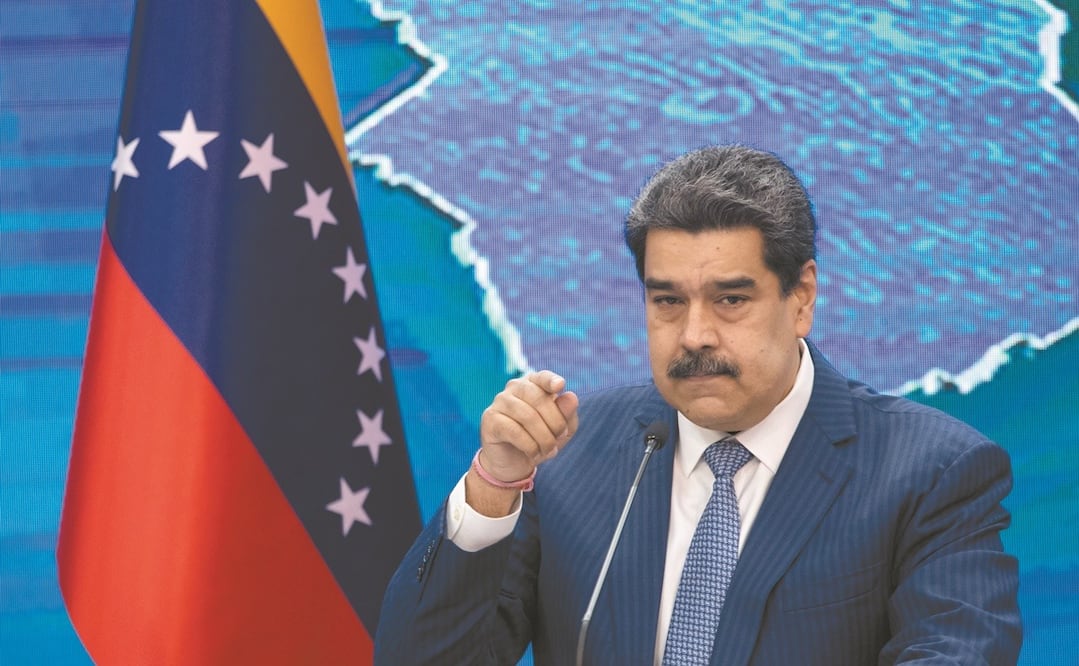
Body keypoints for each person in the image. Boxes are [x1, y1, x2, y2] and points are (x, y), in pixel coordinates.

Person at [374, 145, 1022, 665]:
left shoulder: (932, 473)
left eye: (730, 299)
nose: (694, 335)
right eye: (667, 301)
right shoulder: (572, 452)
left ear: (800, 298)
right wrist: (496, 485)